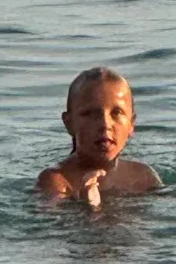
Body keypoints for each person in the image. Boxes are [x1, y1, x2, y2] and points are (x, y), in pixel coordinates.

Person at [36, 67, 162, 206]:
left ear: (131, 124)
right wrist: (82, 207)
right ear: (69, 123)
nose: (105, 124)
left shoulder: (143, 177)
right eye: (90, 114)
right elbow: (51, 223)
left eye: (117, 112)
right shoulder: (56, 181)